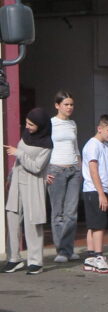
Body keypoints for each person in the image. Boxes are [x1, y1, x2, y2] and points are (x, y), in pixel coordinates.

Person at [3, 108, 53, 274]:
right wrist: (11, 176)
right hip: (17, 180)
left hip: (33, 183)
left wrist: (19, 153)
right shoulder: (26, 135)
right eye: (27, 123)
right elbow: (19, 160)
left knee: (33, 222)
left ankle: (35, 261)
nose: (28, 126)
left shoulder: (46, 144)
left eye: (31, 124)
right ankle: (13, 258)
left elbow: (37, 167)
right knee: (12, 217)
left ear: (41, 125)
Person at [46, 92, 82, 263]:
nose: (69, 107)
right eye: (66, 104)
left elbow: (75, 147)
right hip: (56, 169)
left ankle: (68, 249)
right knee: (58, 212)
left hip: (73, 169)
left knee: (71, 212)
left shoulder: (73, 124)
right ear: (57, 105)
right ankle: (61, 250)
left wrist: (80, 167)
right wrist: (46, 171)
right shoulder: (50, 124)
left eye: (71, 104)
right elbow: (43, 148)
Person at [81, 114, 108, 274]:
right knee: (99, 226)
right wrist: (101, 193)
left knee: (93, 225)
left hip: (104, 190)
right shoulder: (92, 145)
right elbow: (93, 170)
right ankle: (98, 257)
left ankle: (90, 257)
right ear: (100, 128)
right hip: (94, 190)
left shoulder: (106, 147)